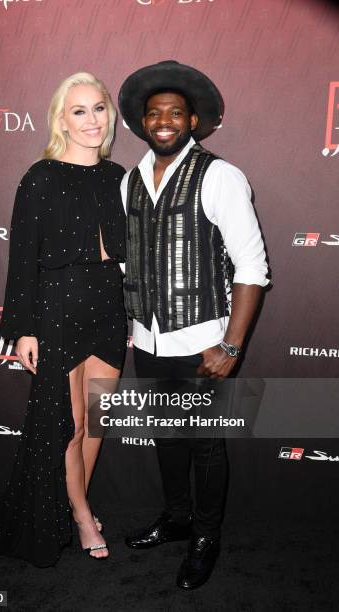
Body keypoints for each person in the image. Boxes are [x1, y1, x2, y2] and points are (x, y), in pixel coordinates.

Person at [118, 60, 269, 589]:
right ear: (141, 121)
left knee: (205, 444)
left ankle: (207, 535)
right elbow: (128, 261)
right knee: (166, 436)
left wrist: (230, 346)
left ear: (192, 120)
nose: (164, 121)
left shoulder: (220, 175)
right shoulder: (129, 182)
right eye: (154, 113)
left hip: (204, 339)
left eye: (175, 113)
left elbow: (251, 267)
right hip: (148, 339)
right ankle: (178, 519)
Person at [0, 72, 127, 564]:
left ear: (110, 115)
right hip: (59, 308)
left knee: (97, 421)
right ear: (61, 120)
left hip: (109, 307)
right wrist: (23, 328)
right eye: (79, 111)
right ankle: (84, 516)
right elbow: (22, 258)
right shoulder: (40, 177)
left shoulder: (118, 177)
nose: (91, 120)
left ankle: (74, 503)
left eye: (99, 108)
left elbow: (131, 252)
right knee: (68, 422)